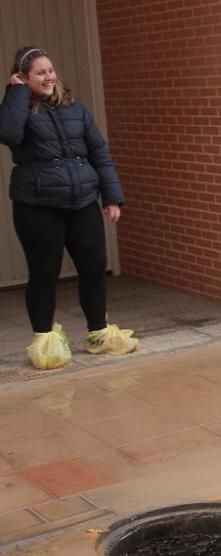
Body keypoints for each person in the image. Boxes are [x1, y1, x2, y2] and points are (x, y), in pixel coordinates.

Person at [0, 46, 137, 369]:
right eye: (39, 73)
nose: (48, 77)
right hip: (37, 205)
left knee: (93, 267)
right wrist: (16, 93)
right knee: (44, 274)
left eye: (50, 70)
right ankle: (45, 342)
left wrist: (112, 196)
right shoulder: (16, 107)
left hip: (82, 201)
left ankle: (98, 334)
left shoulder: (74, 107)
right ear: (23, 77)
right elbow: (7, 133)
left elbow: (98, 152)